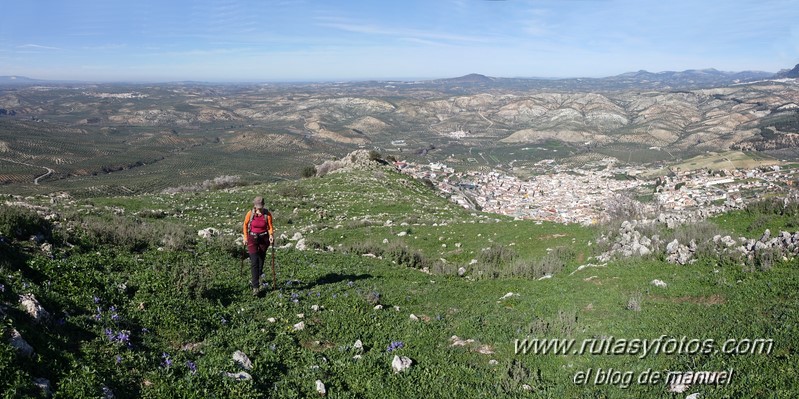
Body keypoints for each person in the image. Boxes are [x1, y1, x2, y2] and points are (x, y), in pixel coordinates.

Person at [242, 196, 274, 295]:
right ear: (254, 205)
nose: (258, 208)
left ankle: (259, 275)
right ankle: (255, 286)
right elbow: (245, 225)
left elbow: (270, 227)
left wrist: (271, 235)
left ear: (263, 205)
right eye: (257, 206)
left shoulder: (267, 214)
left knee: (261, 259)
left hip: (264, 239)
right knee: (254, 262)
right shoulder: (250, 214)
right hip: (252, 238)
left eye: (260, 206)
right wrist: (245, 238)